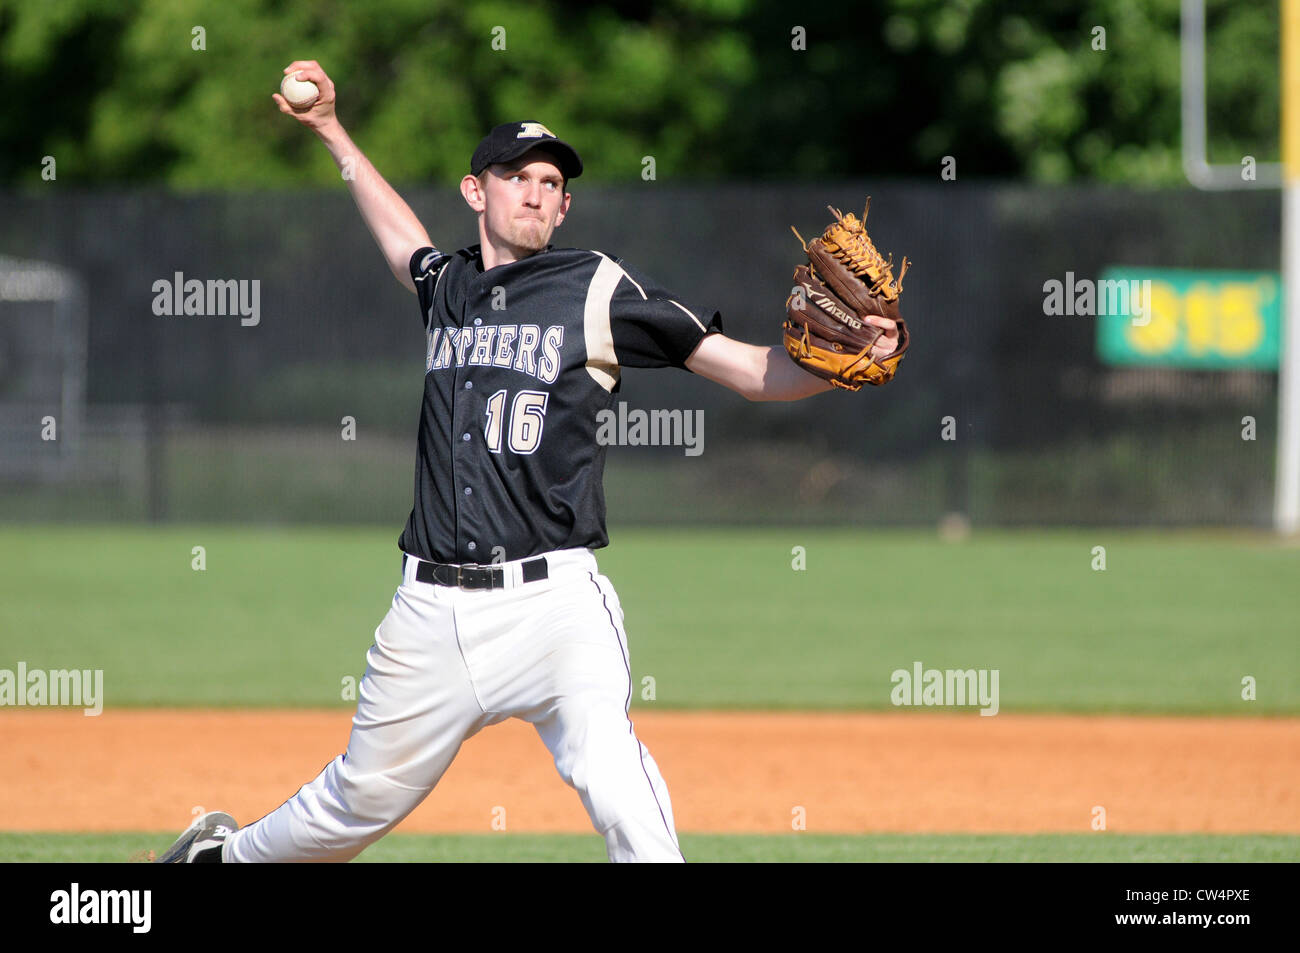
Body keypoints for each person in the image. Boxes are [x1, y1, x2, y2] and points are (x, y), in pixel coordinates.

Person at [157, 60, 899, 864]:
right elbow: (402, 239)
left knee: (618, 783)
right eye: (517, 176)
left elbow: (750, 371)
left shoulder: (594, 286)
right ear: (477, 192)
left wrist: (835, 364)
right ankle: (218, 860)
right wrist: (333, 132)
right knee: (353, 805)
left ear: (566, 204)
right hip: (431, 609)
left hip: (556, 606)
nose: (538, 191)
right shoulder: (448, 287)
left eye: (552, 181)